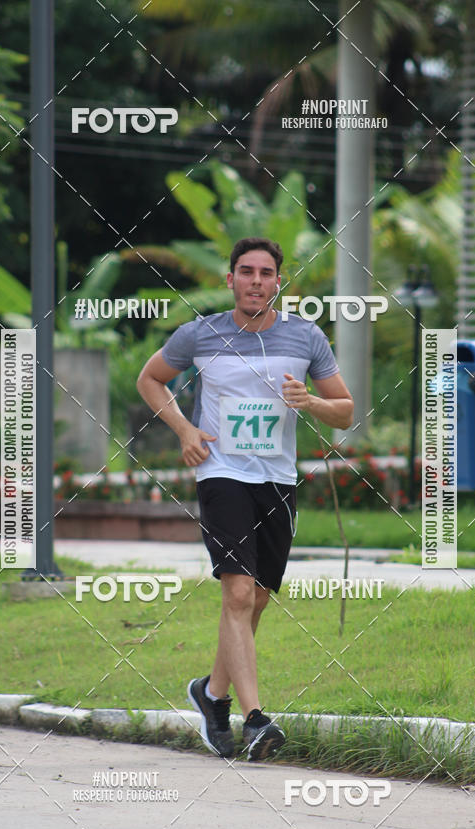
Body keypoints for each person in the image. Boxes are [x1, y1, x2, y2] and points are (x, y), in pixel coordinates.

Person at [137, 236, 353, 761]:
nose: (256, 280)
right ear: (229, 279)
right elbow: (150, 379)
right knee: (236, 594)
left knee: (255, 600)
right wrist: (186, 430)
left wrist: (310, 402)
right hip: (222, 474)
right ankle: (255, 719)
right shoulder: (200, 334)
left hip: (276, 480)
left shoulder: (305, 338)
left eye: (266, 273)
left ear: (279, 281)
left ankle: (212, 696)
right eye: (246, 271)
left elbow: (345, 411)